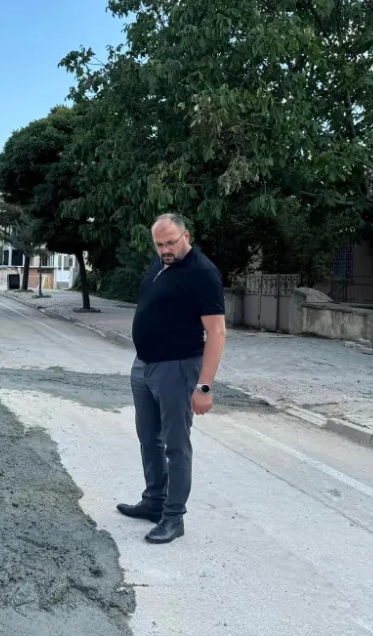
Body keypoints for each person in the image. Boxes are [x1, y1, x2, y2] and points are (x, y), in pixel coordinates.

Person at [117, 213, 226, 544]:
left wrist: (204, 386)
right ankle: (154, 502)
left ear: (186, 236)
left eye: (170, 243)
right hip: (145, 366)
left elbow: (217, 332)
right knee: (149, 438)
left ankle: (174, 517)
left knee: (176, 446)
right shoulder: (160, 263)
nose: (164, 249)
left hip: (177, 368)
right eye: (159, 244)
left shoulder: (202, 272)